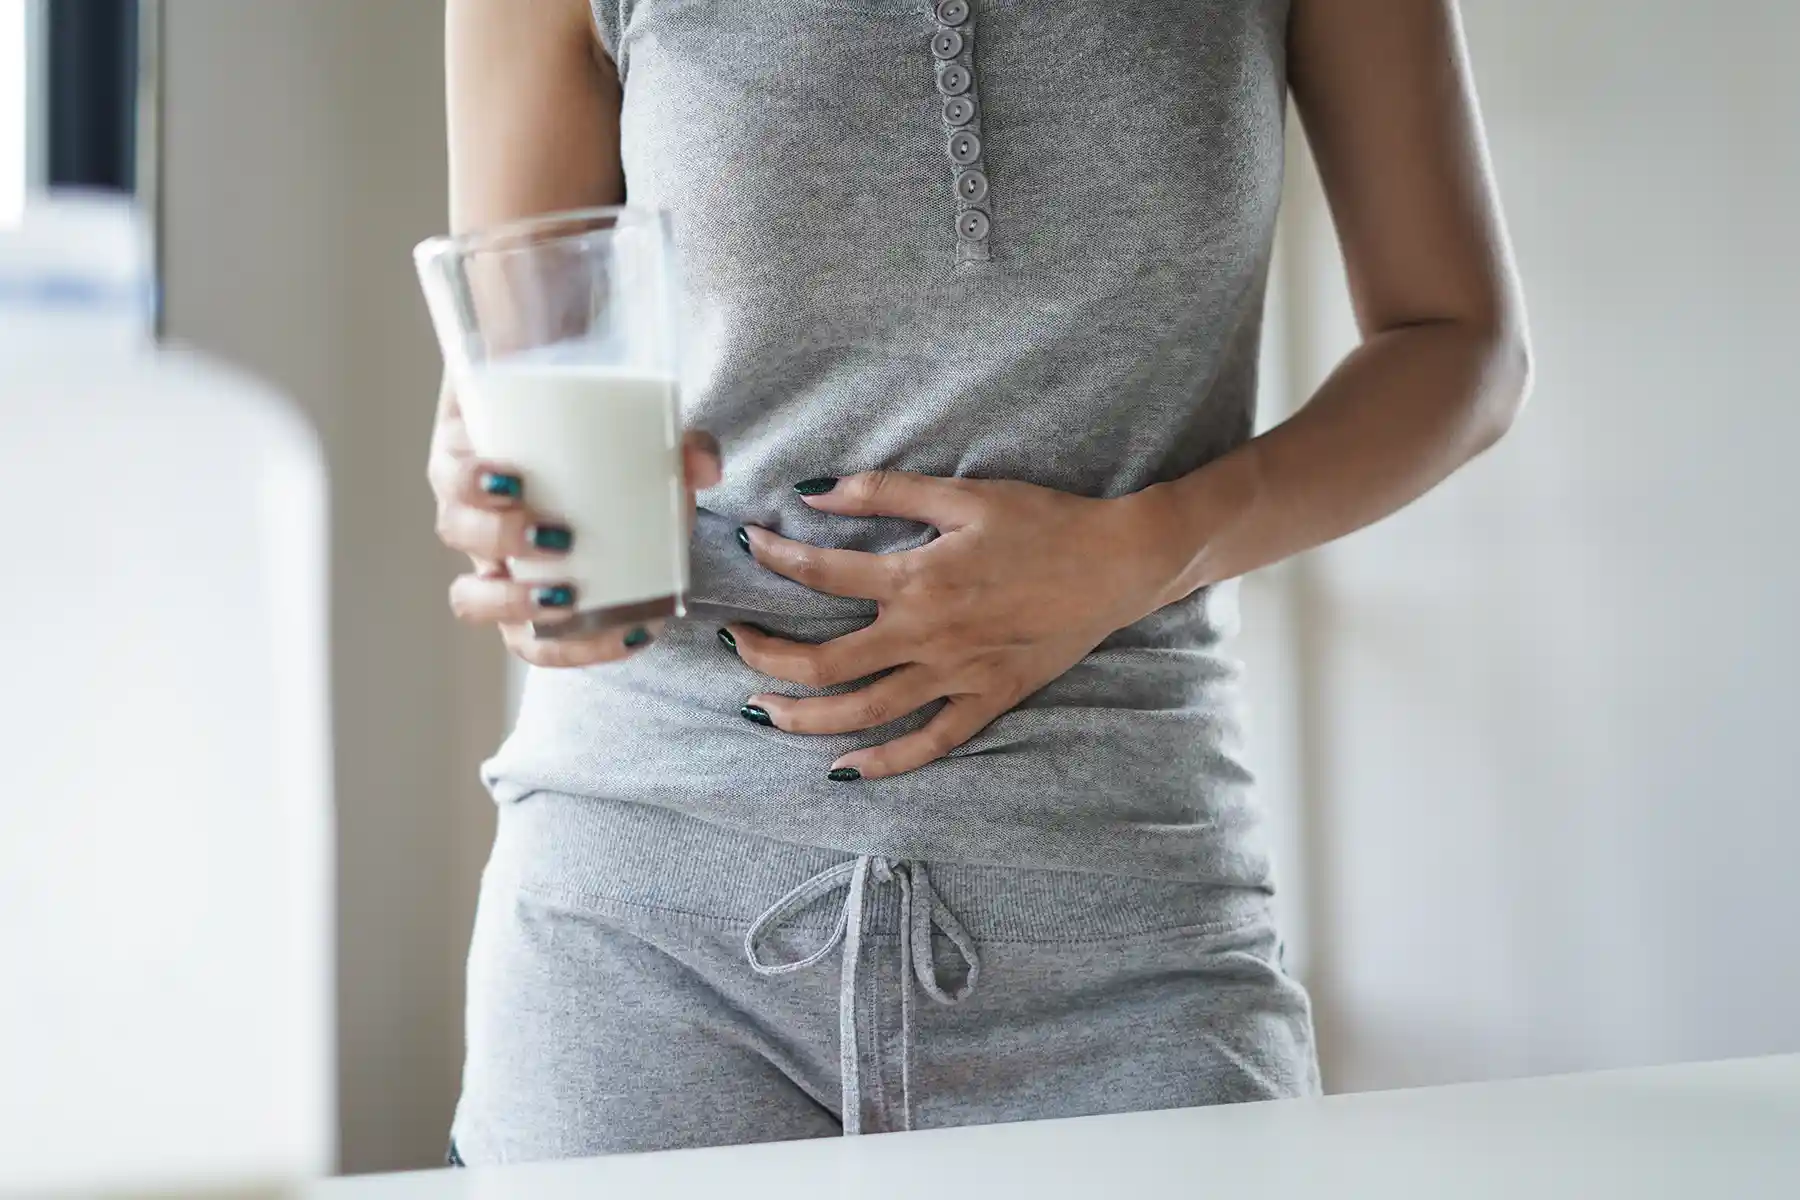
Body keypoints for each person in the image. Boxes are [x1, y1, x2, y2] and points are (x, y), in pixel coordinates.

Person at [431, 0, 1530, 1164]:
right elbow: (511, 376)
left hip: (1125, 902)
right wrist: (509, 512)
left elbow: (1459, 339)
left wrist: (1151, 544)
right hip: (643, 922)